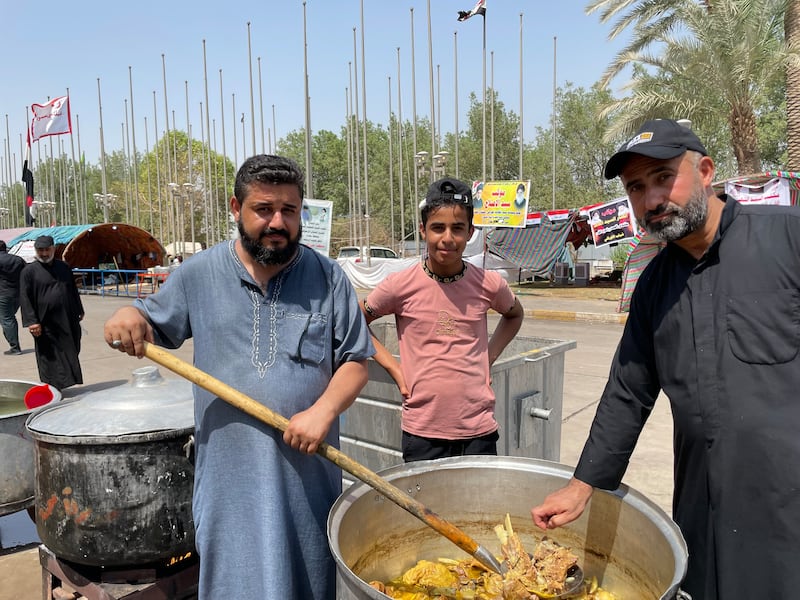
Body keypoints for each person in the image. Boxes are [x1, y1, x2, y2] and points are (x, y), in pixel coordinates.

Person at [531, 119, 800, 599]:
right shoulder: (654, 284)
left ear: (705, 171)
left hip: (787, 502)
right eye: (637, 187)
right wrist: (583, 482)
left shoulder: (788, 242)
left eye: (663, 177)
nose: (652, 199)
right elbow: (628, 391)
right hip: (704, 505)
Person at [104, 154, 374, 600]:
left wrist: (324, 410)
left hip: (307, 480)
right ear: (236, 208)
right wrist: (126, 312)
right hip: (229, 482)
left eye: (289, 210)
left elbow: (356, 361)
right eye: (263, 209)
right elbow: (148, 320)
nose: (277, 222)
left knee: (310, 581)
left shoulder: (329, 278)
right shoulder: (197, 274)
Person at [361, 177, 524, 462]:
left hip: (479, 431)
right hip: (423, 432)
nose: (447, 238)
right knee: (425, 508)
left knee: (478, 507)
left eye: (457, 228)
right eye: (438, 228)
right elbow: (357, 320)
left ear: (470, 232)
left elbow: (514, 314)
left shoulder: (489, 284)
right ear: (423, 231)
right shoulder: (399, 285)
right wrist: (396, 370)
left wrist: (488, 356)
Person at [20, 235, 84, 389]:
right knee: (49, 354)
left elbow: (72, 290)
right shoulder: (29, 271)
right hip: (44, 321)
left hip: (68, 318)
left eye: (47, 249)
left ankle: (67, 381)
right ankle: (51, 386)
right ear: (36, 251)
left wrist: (79, 309)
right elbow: (24, 297)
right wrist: (32, 321)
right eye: (40, 250)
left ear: (53, 249)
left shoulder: (63, 267)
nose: (44, 253)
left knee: (71, 348)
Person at [0, 240, 26, 355]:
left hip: (3, 294)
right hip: (17, 294)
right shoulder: (18, 259)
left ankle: (15, 347)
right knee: (8, 318)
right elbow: (27, 273)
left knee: (7, 319)